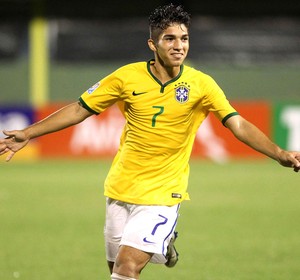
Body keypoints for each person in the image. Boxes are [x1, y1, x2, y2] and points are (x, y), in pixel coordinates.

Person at [1, 3, 300, 280]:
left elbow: (238, 124)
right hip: (120, 188)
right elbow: (80, 108)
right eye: (169, 39)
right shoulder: (126, 78)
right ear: (152, 44)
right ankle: (162, 242)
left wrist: (278, 153)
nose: (178, 45)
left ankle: (160, 236)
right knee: (116, 270)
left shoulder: (201, 84)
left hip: (163, 193)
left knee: (126, 267)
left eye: (183, 38)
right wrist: (28, 133)